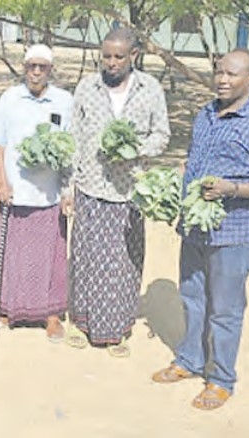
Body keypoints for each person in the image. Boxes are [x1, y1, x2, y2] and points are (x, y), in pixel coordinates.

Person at [151, 49, 249, 411]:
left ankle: (221, 379)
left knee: (225, 308)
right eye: (219, 72)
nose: (223, 80)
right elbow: (193, 160)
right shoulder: (205, 114)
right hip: (195, 228)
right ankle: (190, 360)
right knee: (192, 297)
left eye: (232, 74)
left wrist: (234, 189)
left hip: (235, 232)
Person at [66, 28, 171, 356]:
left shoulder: (150, 89)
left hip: (129, 192)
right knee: (86, 258)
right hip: (90, 187)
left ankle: (116, 330)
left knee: (122, 262)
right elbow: (74, 138)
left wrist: (134, 149)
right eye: (106, 56)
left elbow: (162, 136)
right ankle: (82, 324)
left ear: (133, 56)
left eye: (118, 56)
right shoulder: (87, 86)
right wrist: (68, 186)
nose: (111, 63)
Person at [0, 44, 72, 341]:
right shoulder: (10, 98)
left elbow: (70, 148)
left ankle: (50, 315)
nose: (36, 72)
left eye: (42, 67)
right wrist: (1, 181)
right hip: (16, 191)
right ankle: (11, 308)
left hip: (49, 195)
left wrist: (67, 190)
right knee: (13, 253)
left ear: (51, 70)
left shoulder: (63, 101)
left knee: (51, 256)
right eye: (31, 66)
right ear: (23, 68)